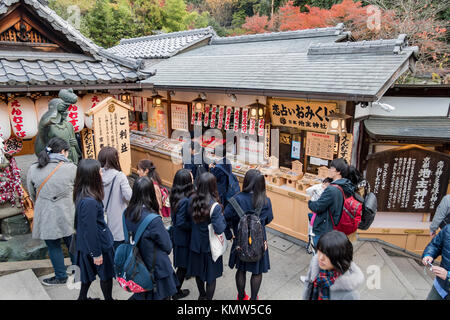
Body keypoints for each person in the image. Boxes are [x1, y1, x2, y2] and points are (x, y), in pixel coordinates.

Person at [27, 137, 77, 286]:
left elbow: (32, 194)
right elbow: (78, 190)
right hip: (68, 213)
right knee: (73, 244)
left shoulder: (33, 168)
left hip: (46, 214)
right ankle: (78, 273)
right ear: (63, 152)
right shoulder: (71, 168)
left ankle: (60, 276)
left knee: (53, 246)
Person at [124, 176, 179, 300]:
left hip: (137, 265)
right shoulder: (153, 219)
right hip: (156, 268)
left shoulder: (127, 213)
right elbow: (168, 246)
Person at [224, 169, 274, 300]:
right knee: (257, 271)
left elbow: (224, 219)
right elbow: (269, 219)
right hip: (259, 241)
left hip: (240, 240)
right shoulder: (265, 201)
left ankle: (241, 296)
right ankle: (253, 299)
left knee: (241, 269)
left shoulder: (235, 200)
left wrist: (230, 234)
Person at [73, 159, 115, 300]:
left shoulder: (82, 193)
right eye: (99, 171)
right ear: (92, 176)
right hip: (97, 245)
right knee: (106, 275)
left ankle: (82, 298)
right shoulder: (89, 201)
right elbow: (90, 230)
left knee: (87, 275)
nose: (102, 172)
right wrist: (96, 254)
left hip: (87, 245)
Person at [188, 172, 227, 300]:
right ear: (213, 186)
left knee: (198, 274)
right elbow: (219, 228)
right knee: (211, 277)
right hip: (210, 247)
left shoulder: (192, 200)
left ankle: (202, 295)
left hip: (195, 244)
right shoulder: (214, 206)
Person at [308, 158, 362, 246]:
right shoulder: (347, 184)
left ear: (338, 172)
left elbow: (317, 207)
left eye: (332, 168)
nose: (329, 170)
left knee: (322, 254)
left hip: (327, 229)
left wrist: (310, 202)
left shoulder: (332, 189)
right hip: (337, 227)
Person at [302, 230, 364, 300]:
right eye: (320, 251)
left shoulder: (350, 294)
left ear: (339, 257)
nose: (321, 258)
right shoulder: (316, 264)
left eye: (327, 255)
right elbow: (308, 283)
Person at [98, 146, 132, 250]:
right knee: (119, 254)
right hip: (118, 222)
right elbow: (129, 196)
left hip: (101, 220)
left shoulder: (96, 175)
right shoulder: (119, 176)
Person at [169, 169, 195, 300]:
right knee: (182, 268)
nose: (193, 180)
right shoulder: (185, 200)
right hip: (183, 239)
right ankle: (175, 292)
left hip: (177, 237)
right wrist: (193, 226)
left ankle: (173, 288)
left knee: (181, 266)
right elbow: (180, 222)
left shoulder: (175, 194)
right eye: (191, 179)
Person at [422, 224, 450, 300]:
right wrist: (429, 254)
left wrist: (448, 276)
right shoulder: (448, 229)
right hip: (440, 286)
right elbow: (435, 245)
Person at [306, 177, 333, 254]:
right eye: (324, 184)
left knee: (314, 232)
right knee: (311, 231)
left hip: (319, 217)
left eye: (327, 185)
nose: (324, 186)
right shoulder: (318, 187)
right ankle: (310, 246)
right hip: (315, 214)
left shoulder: (328, 193)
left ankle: (313, 248)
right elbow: (308, 191)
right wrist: (312, 199)